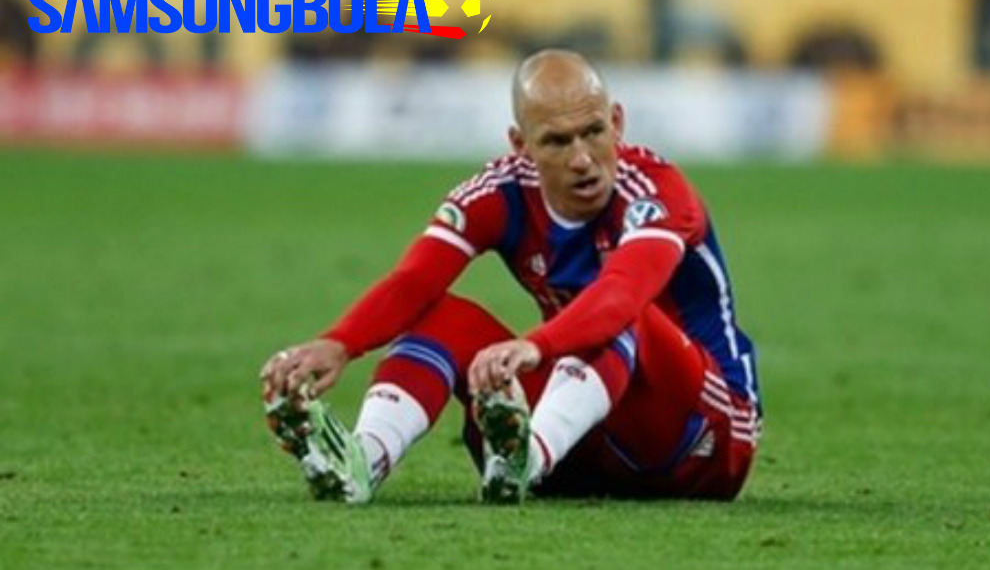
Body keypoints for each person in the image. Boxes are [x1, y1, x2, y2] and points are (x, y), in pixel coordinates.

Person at [259, 49, 761, 504]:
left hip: (705, 439)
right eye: (557, 141)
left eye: (593, 132)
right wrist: (340, 343)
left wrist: (534, 347)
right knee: (437, 314)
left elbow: (619, 296)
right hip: (584, 431)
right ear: (521, 145)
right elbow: (414, 280)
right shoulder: (498, 194)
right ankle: (362, 462)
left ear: (617, 122)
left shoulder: (657, 191)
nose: (582, 159)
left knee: (615, 315)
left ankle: (528, 457)